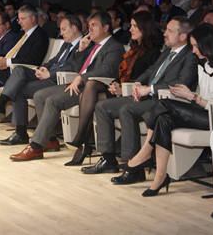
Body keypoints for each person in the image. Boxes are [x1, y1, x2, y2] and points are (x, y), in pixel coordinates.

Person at [120, 24, 213, 196]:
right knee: (163, 120)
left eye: (197, 46)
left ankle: (145, 152)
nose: (194, 51)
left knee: (165, 104)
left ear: (209, 44)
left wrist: (192, 97)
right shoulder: (203, 65)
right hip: (202, 112)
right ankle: (160, 176)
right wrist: (188, 95)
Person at [84, 16, 199, 178]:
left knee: (127, 110)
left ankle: (134, 166)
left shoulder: (191, 56)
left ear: (183, 36)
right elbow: (151, 71)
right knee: (102, 106)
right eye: (166, 29)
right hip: (147, 96)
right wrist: (137, 83)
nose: (164, 33)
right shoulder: (166, 52)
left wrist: (149, 89)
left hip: (165, 101)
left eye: (170, 31)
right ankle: (108, 158)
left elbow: (182, 83)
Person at [9, 12, 124, 161]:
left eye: (94, 25)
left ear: (106, 27)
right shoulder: (93, 46)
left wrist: (80, 78)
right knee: (40, 95)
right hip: (78, 83)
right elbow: (79, 67)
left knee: (52, 101)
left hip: (89, 90)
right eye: (88, 26)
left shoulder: (114, 47)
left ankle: (36, 146)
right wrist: (81, 51)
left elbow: (106, 70)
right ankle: (50, 140)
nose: (90, 30)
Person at [63, 11, 163, 166]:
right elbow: (120, 72)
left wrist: (123, 88)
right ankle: (89, 146)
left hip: (134, 93)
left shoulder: (153, 52)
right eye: (131, 26)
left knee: (91, 92)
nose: (130, 29)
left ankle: (84, 140)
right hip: (121, 89)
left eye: (135, 26)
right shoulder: (134, 48)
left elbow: (144, 78)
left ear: (145, 28)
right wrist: (116, 84)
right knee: (88, 95)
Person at [0, 15, 85, 145]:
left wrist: (49, 74)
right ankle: (19, 130)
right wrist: (42, 69)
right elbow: (54, 61)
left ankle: (4, 108)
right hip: (48, 75)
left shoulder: (83, 45)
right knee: (19, 72)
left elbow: (73, 67)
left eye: (63, 29)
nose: (61, 33)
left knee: (19, 87)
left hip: (59, 81)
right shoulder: (66, 44)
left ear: (74, 28)